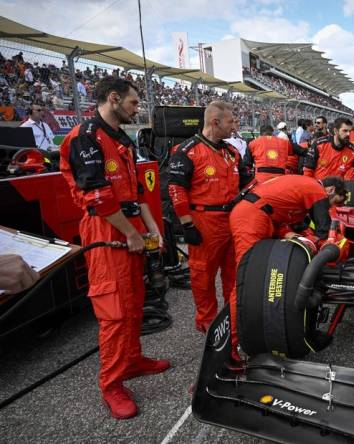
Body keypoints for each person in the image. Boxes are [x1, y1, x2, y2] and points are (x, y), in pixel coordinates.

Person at [60, 77, 170, 419]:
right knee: (114, 311)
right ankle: (111, 383)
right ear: (113, 99)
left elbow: (136, 193)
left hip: (130, 225)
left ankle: (132, 360)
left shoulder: (122, 138)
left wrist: (152, 228)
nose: (137, 110)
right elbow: (97, 197)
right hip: (106, 229)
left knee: (136, 300)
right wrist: (132, 234)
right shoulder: (85, 138)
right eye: (134, 103)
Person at [228, 175, 347, 355]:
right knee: (247, 279)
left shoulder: (301, 187)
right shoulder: (316, 190)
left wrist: (297, 237)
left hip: (264, 216)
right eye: (332, 202)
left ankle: (260, 329)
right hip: (251, 218)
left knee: (261, 276)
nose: (330, 206)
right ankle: (232, 343)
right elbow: (324, 231)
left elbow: (290, 219)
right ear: (330, 190)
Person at [168, 101, 252, 333]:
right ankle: (207, 320)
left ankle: (233, 315)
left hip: (233, 219)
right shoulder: (187, 151)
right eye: (230, 122)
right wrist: (187, 224)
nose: (234, 127)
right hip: (204, 222)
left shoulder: (231, 152)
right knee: (202, 274)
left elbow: (247, 183)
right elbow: (175, 188)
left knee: (233, 272)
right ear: (215, 122)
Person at [304, 117, 354, 181]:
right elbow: (308, 170)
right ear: (335, 131)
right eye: (345, 131)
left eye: (350, 131)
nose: (348, 134)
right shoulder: (319, 144)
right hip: (318, 188)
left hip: (338, 189)